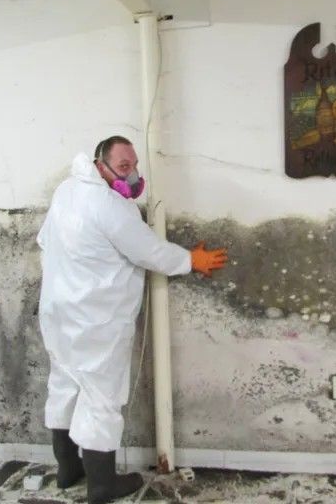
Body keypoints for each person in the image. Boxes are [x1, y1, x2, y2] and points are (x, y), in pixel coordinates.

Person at [37, 135, 227, 503]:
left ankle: (67, 469)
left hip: (58, 311)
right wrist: (191, 260)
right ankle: (103, 484)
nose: (134, 174)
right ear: (100, 163)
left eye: (134, 165)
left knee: (64, 383)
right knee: (101, 397)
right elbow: (149, 251)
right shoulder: (111, 206)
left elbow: (45, 241)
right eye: (125, 167)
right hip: (96, 318)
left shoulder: (67, 190)